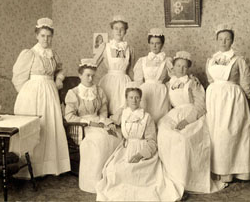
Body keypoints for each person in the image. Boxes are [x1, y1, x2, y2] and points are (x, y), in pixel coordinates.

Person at [96, 82, 184, 201]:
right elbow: (110, 121)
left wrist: (140, 155)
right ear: (126, 99)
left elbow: (152, 141)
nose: (134, 100)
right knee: (113, 170)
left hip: (142, 149)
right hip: (125, 148)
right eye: (131, 97)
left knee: (137, 173)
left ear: (140, 99)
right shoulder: (123, 114)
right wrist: (110, 125)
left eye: (137, 97)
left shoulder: (146, 117)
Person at [206, 24, 250, 183]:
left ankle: (236, 171)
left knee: (231, 133)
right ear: (217, 40)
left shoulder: (239, 60)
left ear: (232, 41)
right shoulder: (211, 60)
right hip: (215, 99)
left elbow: (245, 81)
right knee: (215, 134)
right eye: (220, 39)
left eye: (227, 39)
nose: (223, 42)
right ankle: (218, 170)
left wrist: (245, 100)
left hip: (233, 100)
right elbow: (211, 80)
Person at [157, 51, 226, 194]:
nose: (181, 69)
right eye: (178, 66)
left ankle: (186, 180)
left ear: (188, 68)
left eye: (184, 67)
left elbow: (200, 105)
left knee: (183, 139)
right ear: (173, 67)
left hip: (192, 115)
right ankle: (171, 176)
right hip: (174, 114)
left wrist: (187, 120)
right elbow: (168, 105)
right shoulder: (169, 83)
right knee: (164, 132)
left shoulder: (193, 82)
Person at [11, 17, 70, 177]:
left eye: (49, 36)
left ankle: (47, 168)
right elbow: (18, 77)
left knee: (49, 127)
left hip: (50, 93)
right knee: (35, 129)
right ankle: (30, 170)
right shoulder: (29, 53)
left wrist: (58, 78)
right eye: (43, 35)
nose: (46, 39)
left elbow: (60, 69)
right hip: (33, 95)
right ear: (37, 35)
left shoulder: (53, 54)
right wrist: (26, 94)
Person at [64, 59, 121, 193]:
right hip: (81, 126)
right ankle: (93, 181)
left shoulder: (99, 91)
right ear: (80, 75)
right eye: (87, 75)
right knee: (98, 141)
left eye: (93, 76)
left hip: (99, 122)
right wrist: (88, 122)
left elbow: (103, 112)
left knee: (116, 136)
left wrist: (107, 123)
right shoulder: (73, 93)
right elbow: (69, 116)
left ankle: (109, 178)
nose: (90, 78)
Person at [94, 15, 134, 115]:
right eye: (116, 28)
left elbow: (131, 70)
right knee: (106, 110)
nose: (119, 31)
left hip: (124, 82)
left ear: (125, 31)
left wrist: (134, 86)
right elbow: (93, 65)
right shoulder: (105, 46)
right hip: (109, 82)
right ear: (112, 30)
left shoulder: (130, 49)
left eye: (122, 29)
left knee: (123, 111)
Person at [133, 28, 172, 123]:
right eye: (152, 43)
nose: (154, 46)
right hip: (145, 92)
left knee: (160, 118)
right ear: (149, 44)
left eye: (157, 43)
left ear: (162, 44)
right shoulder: (142, 60)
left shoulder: (167, 60)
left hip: (160, 93)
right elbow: (138, 81)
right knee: (145, 119)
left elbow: (175, 77)